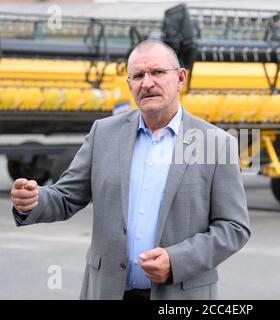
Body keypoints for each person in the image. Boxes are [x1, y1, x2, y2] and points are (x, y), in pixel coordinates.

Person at [10, 40, 250, 300]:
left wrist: (176, 260)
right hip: (108, 292)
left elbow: (234, 226)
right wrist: (33, 201)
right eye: (138, 75)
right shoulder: (103, 134)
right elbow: (67, 197)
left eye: (157, 72)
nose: (147, 83)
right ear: (129, 85)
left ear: (180, 78)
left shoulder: (215, 142)